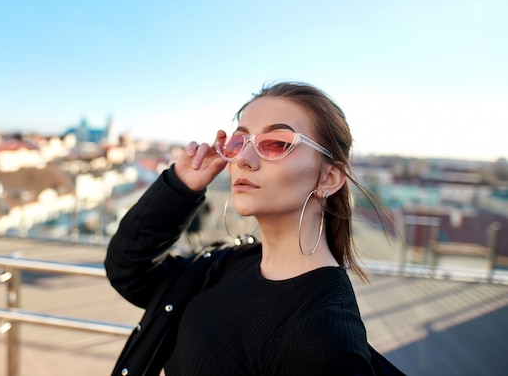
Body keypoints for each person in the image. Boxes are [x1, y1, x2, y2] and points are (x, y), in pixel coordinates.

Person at [105, 81, 404, 375]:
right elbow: (130, 270)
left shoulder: (324, 339)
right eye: (238, 142)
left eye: (276, 144)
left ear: (328, 178)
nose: (243, 159)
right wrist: (179, 187)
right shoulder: (229, 263)